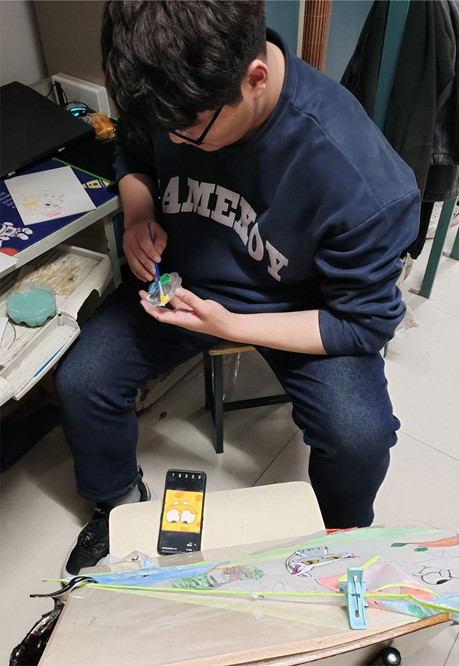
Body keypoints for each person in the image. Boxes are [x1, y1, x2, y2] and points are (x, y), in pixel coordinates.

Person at [55, 0, 420, 577]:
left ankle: (337, 541)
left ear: (255, 79)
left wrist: (233, 325)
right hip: (184, 285)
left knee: (360, 438)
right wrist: (138, 212)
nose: (175, 142)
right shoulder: (175, 90)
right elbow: (134, 150)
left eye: (190, 132)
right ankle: (118, 504)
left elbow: (363, 323)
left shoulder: (358, 178)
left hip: (298, 309)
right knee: (82, 381)